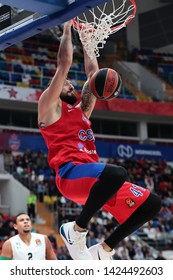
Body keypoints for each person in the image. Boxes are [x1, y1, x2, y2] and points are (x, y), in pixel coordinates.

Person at [38, 19, 161, 260]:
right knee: (117, 173)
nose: (71, 86)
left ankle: (103, 250)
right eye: (66, 84)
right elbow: (63, 65)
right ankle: (77, 231)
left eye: (72, 85)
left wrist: (88, 42)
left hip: (93, 180)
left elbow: (93, 75)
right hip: (71, 174)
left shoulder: (81, 112)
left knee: (153, 204)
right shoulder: (48, 108)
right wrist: (66, 27)